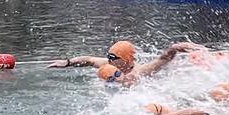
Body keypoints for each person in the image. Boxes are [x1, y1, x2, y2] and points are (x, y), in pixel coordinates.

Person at [48, 40, 204, 86]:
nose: (110, 61)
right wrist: (67, 62)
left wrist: (176, 47)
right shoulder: (109, 64)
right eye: (109, 57)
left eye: (114, 58)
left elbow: (164, 58)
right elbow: (89, 60)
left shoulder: (141, 71)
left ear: (127, 59)